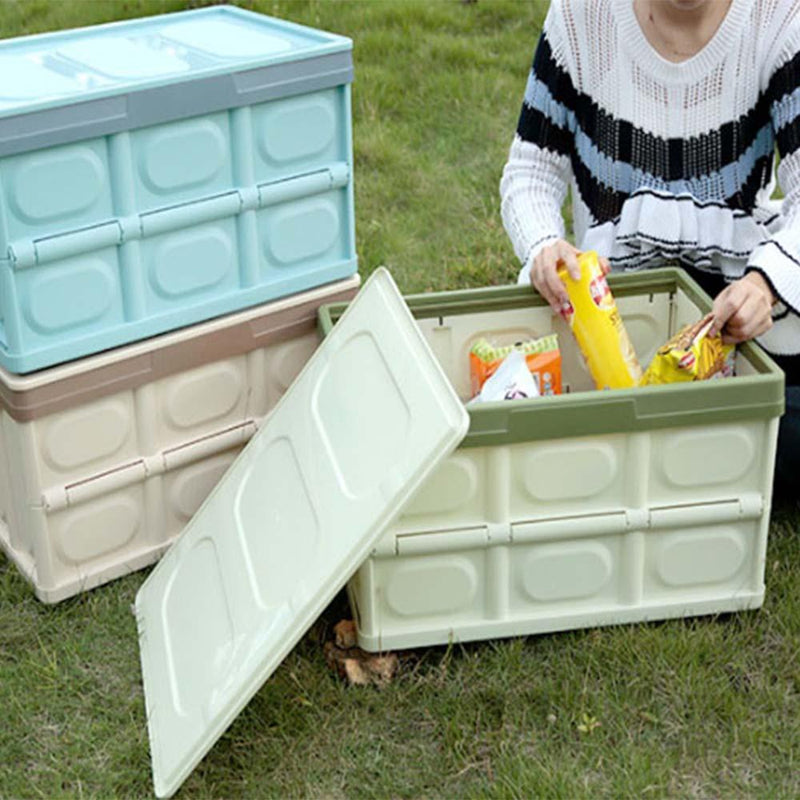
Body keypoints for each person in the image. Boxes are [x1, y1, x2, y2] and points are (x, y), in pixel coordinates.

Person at [500, 0, 800, 500]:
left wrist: (764, 284)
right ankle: (712, 448)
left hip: (732, 299)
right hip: (614, 302)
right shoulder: (580, 14)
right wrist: (543, 244)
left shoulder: (781, 17)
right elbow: (531, 171)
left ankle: (629, 454)